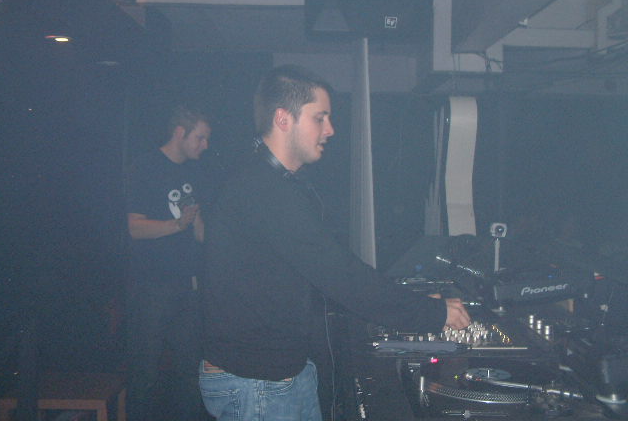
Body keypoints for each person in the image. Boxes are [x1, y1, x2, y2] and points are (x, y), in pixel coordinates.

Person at [199, 65, 471, 421]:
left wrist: (414, 303)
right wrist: (431, 313)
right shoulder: (263, 189)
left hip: (280, 374)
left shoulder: (270, 183)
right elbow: (340, 274)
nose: (330, 129)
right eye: (320, 117)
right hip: (257, 384)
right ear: (283, 119)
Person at [124, 105, 211, 421]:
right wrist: (176, 225)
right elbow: (134, 228)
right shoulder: (145, 167)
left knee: (191, 371)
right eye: (200, 138)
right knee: (145, 372)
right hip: (152, 287)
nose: (205, 145)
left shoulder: (192, 172)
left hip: (187, 287)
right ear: (180, 132)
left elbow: (199, 231)